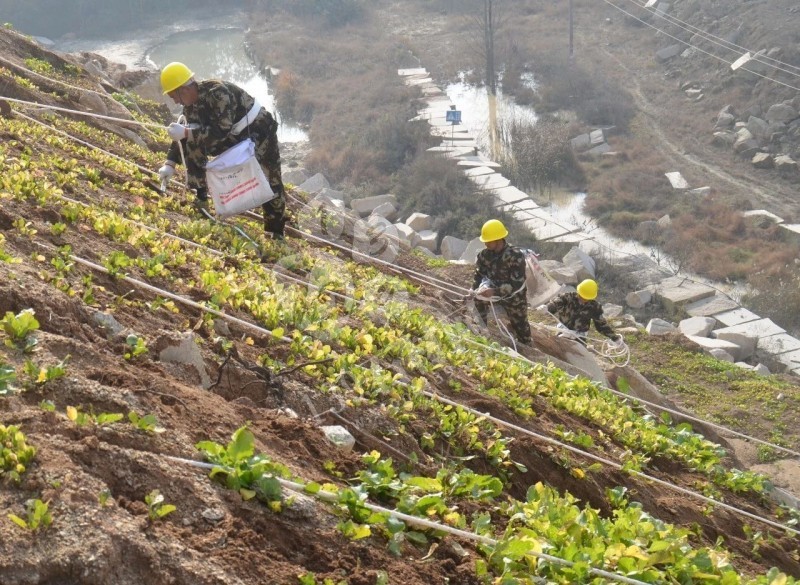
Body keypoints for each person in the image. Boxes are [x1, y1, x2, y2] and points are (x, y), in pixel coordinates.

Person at [156, 62, 288, 239]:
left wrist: (187, 132)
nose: (176, 101)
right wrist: (170, 163)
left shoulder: (218, 93)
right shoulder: (191, 105)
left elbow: (220, 131)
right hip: (233, 134)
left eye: (175, 96)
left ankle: (275, 231)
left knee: (269, 178)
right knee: (192, 140)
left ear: (184, 89)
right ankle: (201, 196)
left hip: (258, 131)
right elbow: (186, 135)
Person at [471, 219, 532, 346]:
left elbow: (516, 284)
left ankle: (527, 348)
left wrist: (494, 291)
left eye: (488, 241)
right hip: (493, 293)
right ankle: (481, 332)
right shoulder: (484, 255)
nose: (485, 243)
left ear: (498, 239)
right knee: (477, 301)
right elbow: (479, 274)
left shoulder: (515, 256)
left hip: (514, 298)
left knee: (521, 328)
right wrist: (474, 289)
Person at [543, 279, 621, 344]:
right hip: (562, 331)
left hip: (579, 337)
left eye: (586, 298)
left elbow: (601, 325)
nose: (583, 300)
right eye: (582, 296)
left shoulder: (594, 307)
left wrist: (615, 338)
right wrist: (547, 307)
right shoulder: (568, 297)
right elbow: (556, 303)